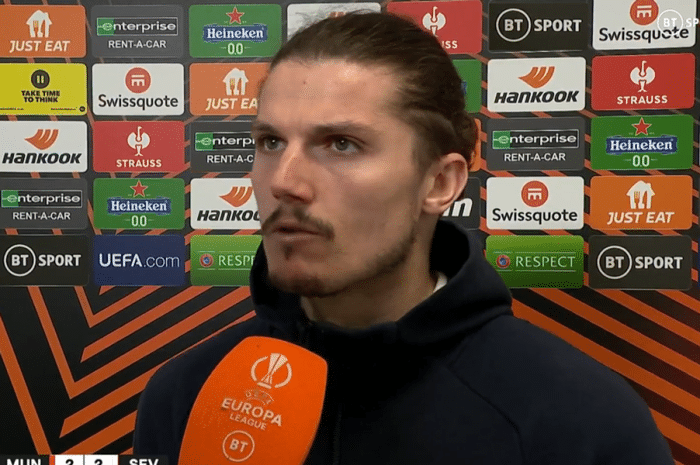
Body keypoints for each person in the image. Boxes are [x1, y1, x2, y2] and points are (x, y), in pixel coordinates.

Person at [133, 12, 675, 465]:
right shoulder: (185, 394)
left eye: (341, 144)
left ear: (439, 184)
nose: (284, 181)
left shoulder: (578, 422)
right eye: (271, 142)